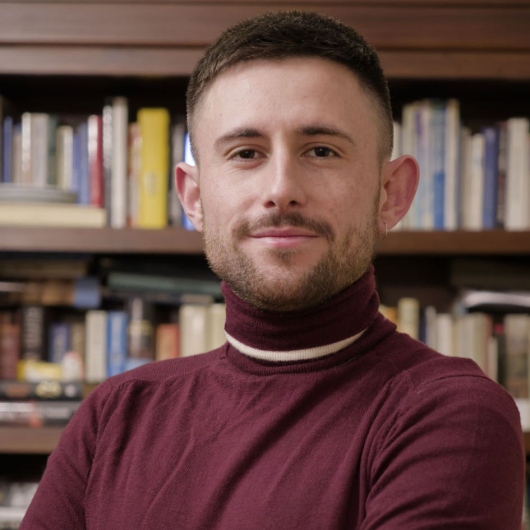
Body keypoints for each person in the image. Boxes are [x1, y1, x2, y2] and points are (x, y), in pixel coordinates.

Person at [21, 10, 524, 530]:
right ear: (193, 198)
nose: (281, 189)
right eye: (246, 153)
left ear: (391, 194)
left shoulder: (452, 412)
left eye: (322, 150)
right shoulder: (113, 416)